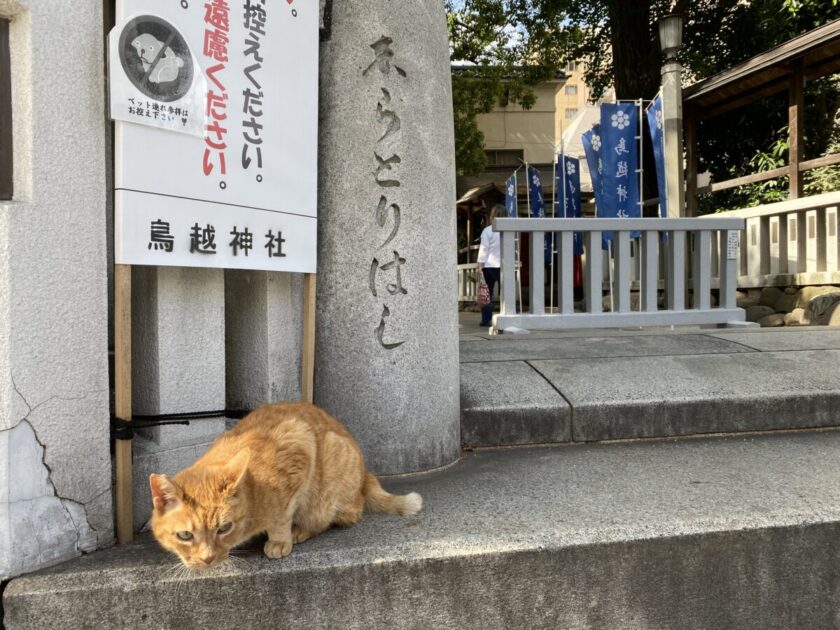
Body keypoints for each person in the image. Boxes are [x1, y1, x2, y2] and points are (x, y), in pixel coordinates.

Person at [476, 204, 503, 327]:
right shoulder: (509, 231)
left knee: (487, 294)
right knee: (506, 294)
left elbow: (484, 249)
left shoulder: (487, 231)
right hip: (504, 266)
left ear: (492, 216)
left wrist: (480, 265)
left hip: (488, 266)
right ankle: (506, 315)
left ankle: (487, 319)